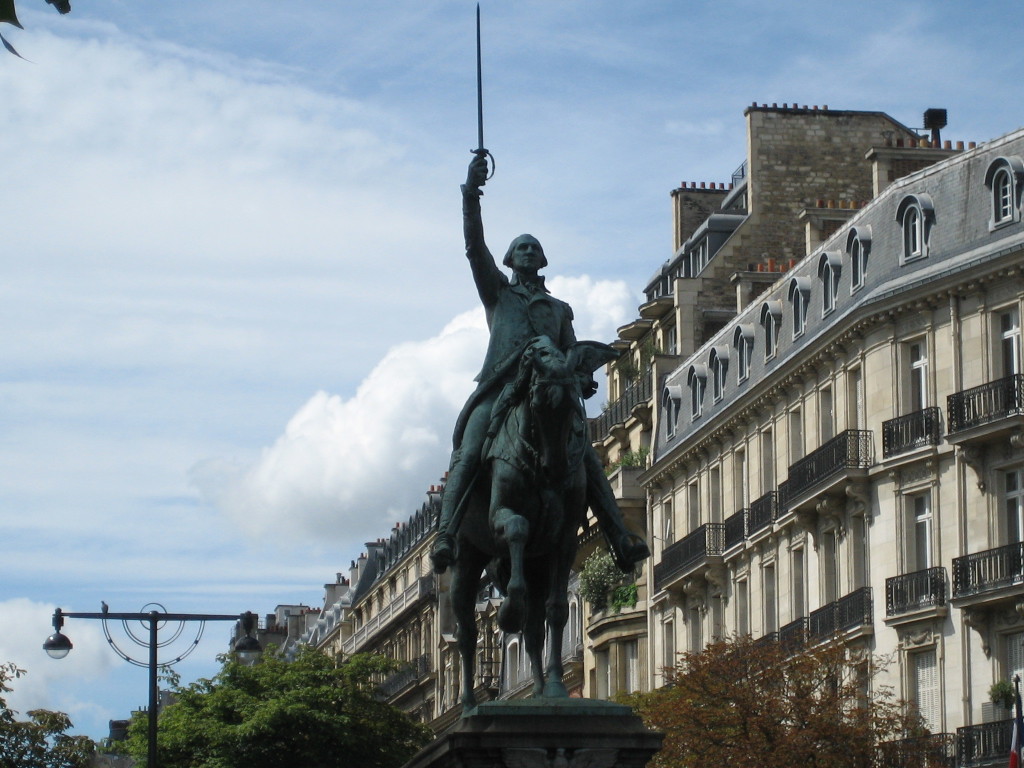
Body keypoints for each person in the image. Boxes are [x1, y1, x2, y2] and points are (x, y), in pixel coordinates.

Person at [430, 153, 650, 574]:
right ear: (511, 260)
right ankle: (445, 535)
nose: (528, 252)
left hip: (548, 388)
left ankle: (619, 535)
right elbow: (475, 248)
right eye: (521, 248)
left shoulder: (559, 308)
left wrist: (582, 379)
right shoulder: (498, 293)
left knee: (584, 454)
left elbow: (572, 352)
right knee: (470, 448)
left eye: (534, 248)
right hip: (499, 389)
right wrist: (470, 195)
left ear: (542, 260)